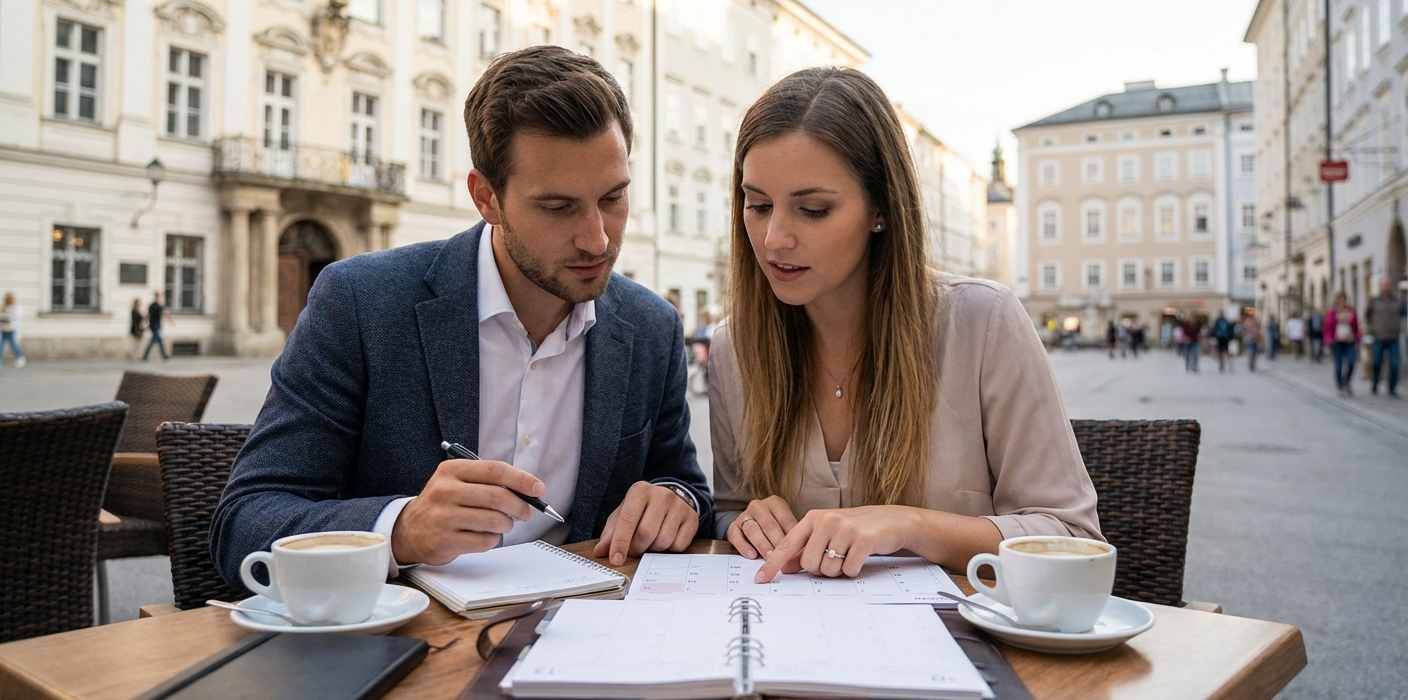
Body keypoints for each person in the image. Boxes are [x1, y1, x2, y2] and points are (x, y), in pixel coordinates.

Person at [211, 46, 714, 588]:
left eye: (613, 198)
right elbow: (244, 522)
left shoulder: (652, 326)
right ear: (486, 198)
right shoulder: (362, 303)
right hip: (408, 646)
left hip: (583, 638)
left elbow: (683, 486)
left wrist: (675, 500)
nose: (597, 237)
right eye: (557, 207)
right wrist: (400, 530)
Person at [708, 66, 1101, 582]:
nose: (774, 237)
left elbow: (1070, 539)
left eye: (814, 210)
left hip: (965, 651)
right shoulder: (734, 348)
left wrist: (910, 525)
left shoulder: (983, 323)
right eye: (757, 205)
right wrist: (743, 521)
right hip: (796, 649)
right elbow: (733, 507)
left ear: (881, 209)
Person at [1365, 277, 1405, 397]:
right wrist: (1371, 329)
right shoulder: (1374, 301)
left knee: (1394, 363)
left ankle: (1391, 388)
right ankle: (1375, 382)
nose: (1386, 287)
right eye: (1383, 285)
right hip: (1379, 336)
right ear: (1380, 287)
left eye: (1387, 284)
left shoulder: (1397, 300)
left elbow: (1404, 313)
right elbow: (1367, 315)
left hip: (1394, 337)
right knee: (1377, 362)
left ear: (1391, 286)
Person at [1325, 292, 1361, 397]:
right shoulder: (1332, 312)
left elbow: (1356, 326)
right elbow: (1328, 326)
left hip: (1350, 340)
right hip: (1337, 341)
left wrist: (1358, 339)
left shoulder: (1351, 311)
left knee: (1351, 362)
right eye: (1339, 299)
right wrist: (1329, 339)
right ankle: (1340, 386)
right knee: (1339, 364)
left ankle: (1347, 382)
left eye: (1343, 299)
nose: (1341, 301)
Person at [141, 291, 173, 362]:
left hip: (155, 325)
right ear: (157, 297)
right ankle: (145, 356)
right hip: (155, 325)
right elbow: (163, 314)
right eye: (160, 296)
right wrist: (169, 320)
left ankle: (164, 356)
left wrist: (144, 321)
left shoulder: (154, 305)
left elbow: (149, 315)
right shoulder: (156, 306)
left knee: (159, 340)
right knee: (153, 341)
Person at [0, 292, 23, 368]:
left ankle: (20, 358)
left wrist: (7, 317)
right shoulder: (3, 307)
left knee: (14, 345)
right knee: (1, 345)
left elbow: (15, 318)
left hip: (11, 330)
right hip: (3, 329)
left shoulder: (16, 308)